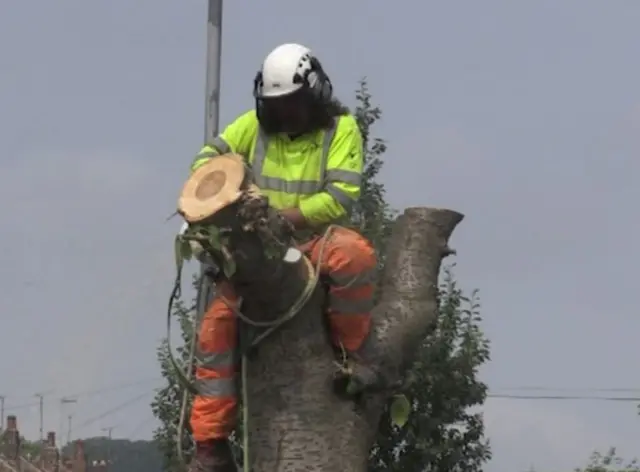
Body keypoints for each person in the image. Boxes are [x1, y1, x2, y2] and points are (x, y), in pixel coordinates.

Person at [187, 43, 379, 471]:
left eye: (292, 104)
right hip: (258, 250)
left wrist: (280, 218)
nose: (284, 114)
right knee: (216, 328)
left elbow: (340, 198)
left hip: (313, 237)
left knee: (353, 256)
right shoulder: (251, 128)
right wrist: (233, 196)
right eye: (276, 106)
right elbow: (205, 163)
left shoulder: (340, 129)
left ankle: (352, 357)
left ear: (313, 94)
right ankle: (210, 443)